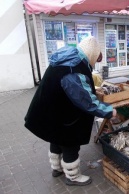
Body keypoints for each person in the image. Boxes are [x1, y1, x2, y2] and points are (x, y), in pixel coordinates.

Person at [24, 36, 117, 186]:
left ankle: (56, 168)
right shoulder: (74, 68)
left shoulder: (67, 56)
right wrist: (108, 111)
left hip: (50, 109)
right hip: (63, 115)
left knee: (55, 137)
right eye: (95, 57)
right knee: (69, 143)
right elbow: (86, 101)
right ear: (91, 54)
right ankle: (73, 176)